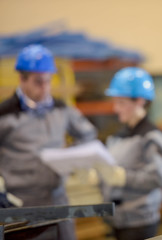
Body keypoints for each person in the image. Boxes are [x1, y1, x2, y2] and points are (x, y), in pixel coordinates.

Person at [0, 44, 97, 240]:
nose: (45, 87)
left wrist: (75, 158)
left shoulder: (62, 109)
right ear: (22, 79)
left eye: (48, 81)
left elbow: (88, 134)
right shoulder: (5, 115)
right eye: (38, 82)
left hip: (58, 198)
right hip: (21, 203)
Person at [95, 67, 162, 240]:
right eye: (115, 102)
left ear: (139, 101)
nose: (116, 108)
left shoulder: (152, 137)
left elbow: (159, 177)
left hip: (139, 223)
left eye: (121, 103)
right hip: (116, 220)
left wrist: (124, 177)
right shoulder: (117, 137)